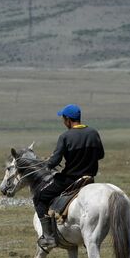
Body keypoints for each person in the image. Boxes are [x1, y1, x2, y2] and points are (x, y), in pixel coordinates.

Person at [35, 104, 105, 250]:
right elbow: (100, 155)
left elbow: (55, 162)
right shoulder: (93, 133)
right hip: (89, 179)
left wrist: (47, 164)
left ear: (68, 120)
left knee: (40, 196)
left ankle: (48, 237)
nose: (63, 121)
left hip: (70, 180)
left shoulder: (65, 136)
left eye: (63, 119)